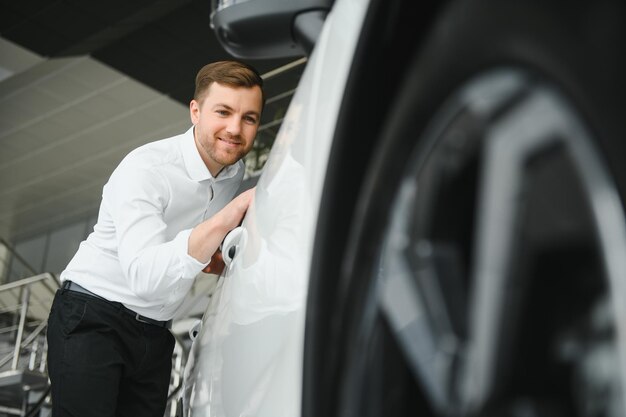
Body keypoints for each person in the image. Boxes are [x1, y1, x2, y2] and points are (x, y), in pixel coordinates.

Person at [46, 60, 264, 417]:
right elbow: (146, 277)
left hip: (155, 334)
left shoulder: (232, 173)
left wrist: (217, 254)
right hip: (94, 316)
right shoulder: (146, 168)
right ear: (195, 111)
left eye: (249, 118)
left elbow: (191, 250)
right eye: (223, 112)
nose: (235, 129)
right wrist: (229, 215)